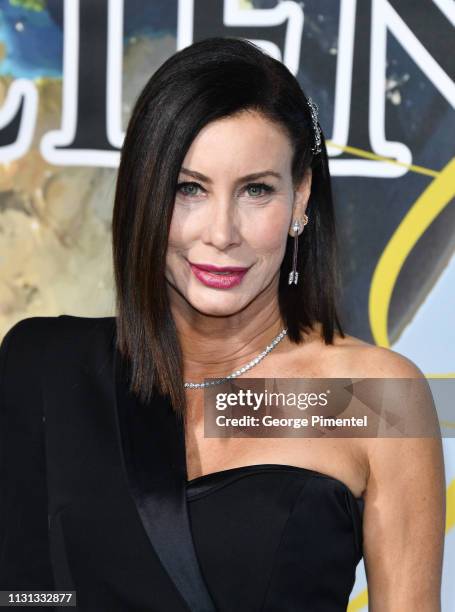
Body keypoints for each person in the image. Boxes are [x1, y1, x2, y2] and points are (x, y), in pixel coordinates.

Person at [0, 36, 445, 611]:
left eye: (256, 190)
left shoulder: (373, 398)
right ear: (143, 190)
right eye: (189, 189)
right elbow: (20, 595)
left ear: (300, 198)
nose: (221, 232)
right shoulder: (46, 365)